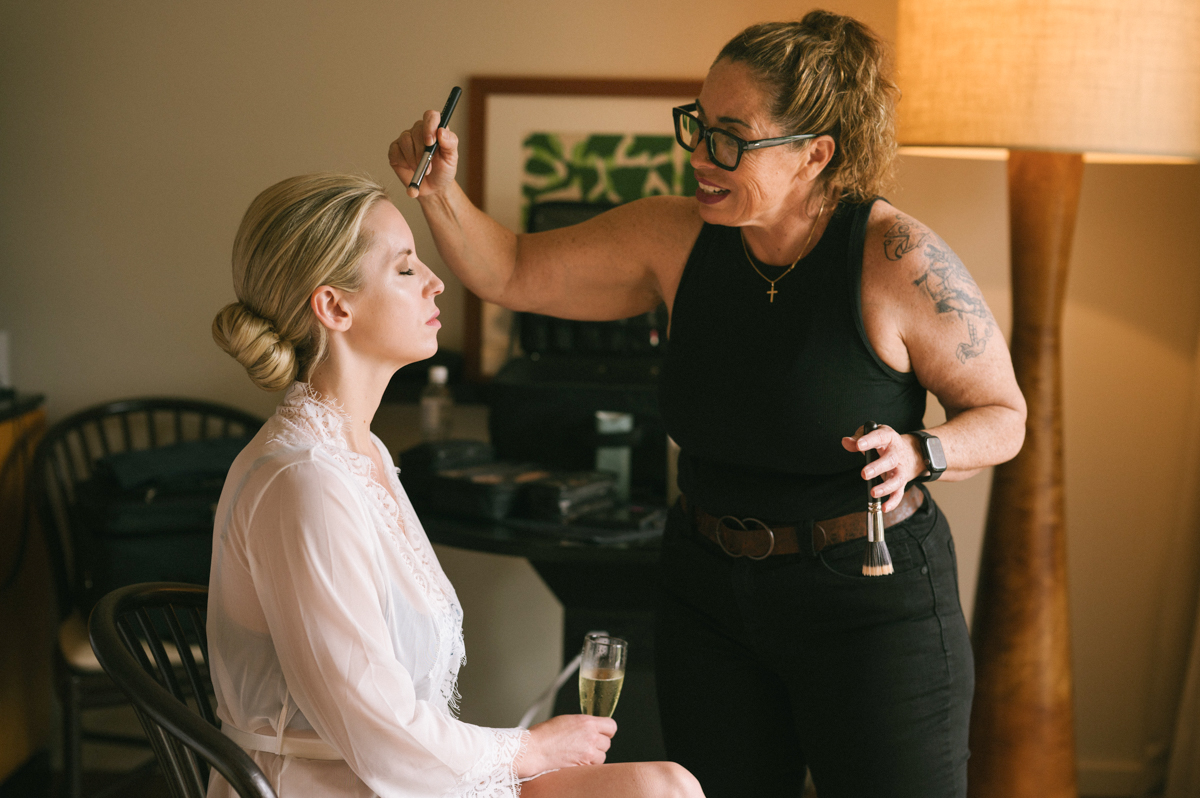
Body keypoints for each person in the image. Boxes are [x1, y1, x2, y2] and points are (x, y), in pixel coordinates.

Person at [388, 11, 1026, 798]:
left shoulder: (896, 258)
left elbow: (1004, 416)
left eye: (730, 135)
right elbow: (514, 269)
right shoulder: (676, 235)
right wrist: (438, 189)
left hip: (868, 606)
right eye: (697, 124)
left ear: (814, 153)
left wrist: (924, 451)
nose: (699, 153)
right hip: (710, 596)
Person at [208, 173, 703, 798]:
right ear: (335, 307)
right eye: (406, 267)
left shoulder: (362, 453)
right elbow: (375, 725)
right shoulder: (305, 480)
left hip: (386, 778)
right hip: (330, 788)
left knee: (667, 783)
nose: (436, 281)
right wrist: (531, 748)